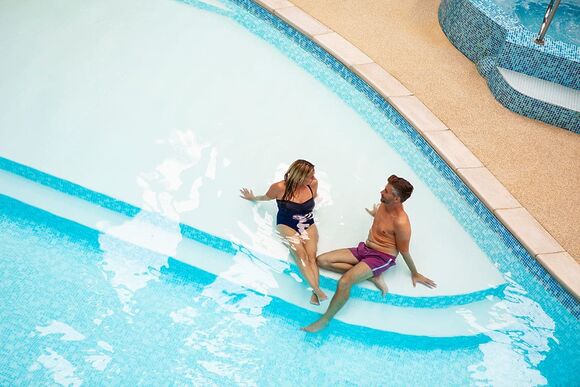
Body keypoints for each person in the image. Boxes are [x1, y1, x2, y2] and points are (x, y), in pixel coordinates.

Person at [302, 174, 436, 333]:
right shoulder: (383, 206)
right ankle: (371, 275)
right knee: (322, 261)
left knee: (345, 282)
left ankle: (324, 320)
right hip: (365, 249)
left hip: (381, 257)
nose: (381, 192)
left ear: (397, 199)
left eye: (386, 191)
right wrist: (375, 213)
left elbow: (404, 251)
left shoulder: (401, 223)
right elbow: (381, 222)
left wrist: (415, 273)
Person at [240, 159, 328, 305]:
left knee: (311, 257)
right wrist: (252, 197)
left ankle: (315, 292)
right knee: (301, 255)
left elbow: (315, 196)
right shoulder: (279, 187)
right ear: (300, 177)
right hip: (286, 223)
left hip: (307, 221)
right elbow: (266, 197)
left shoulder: (312, 184)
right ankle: (317, 291)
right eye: (311, 176)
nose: (314, 178)